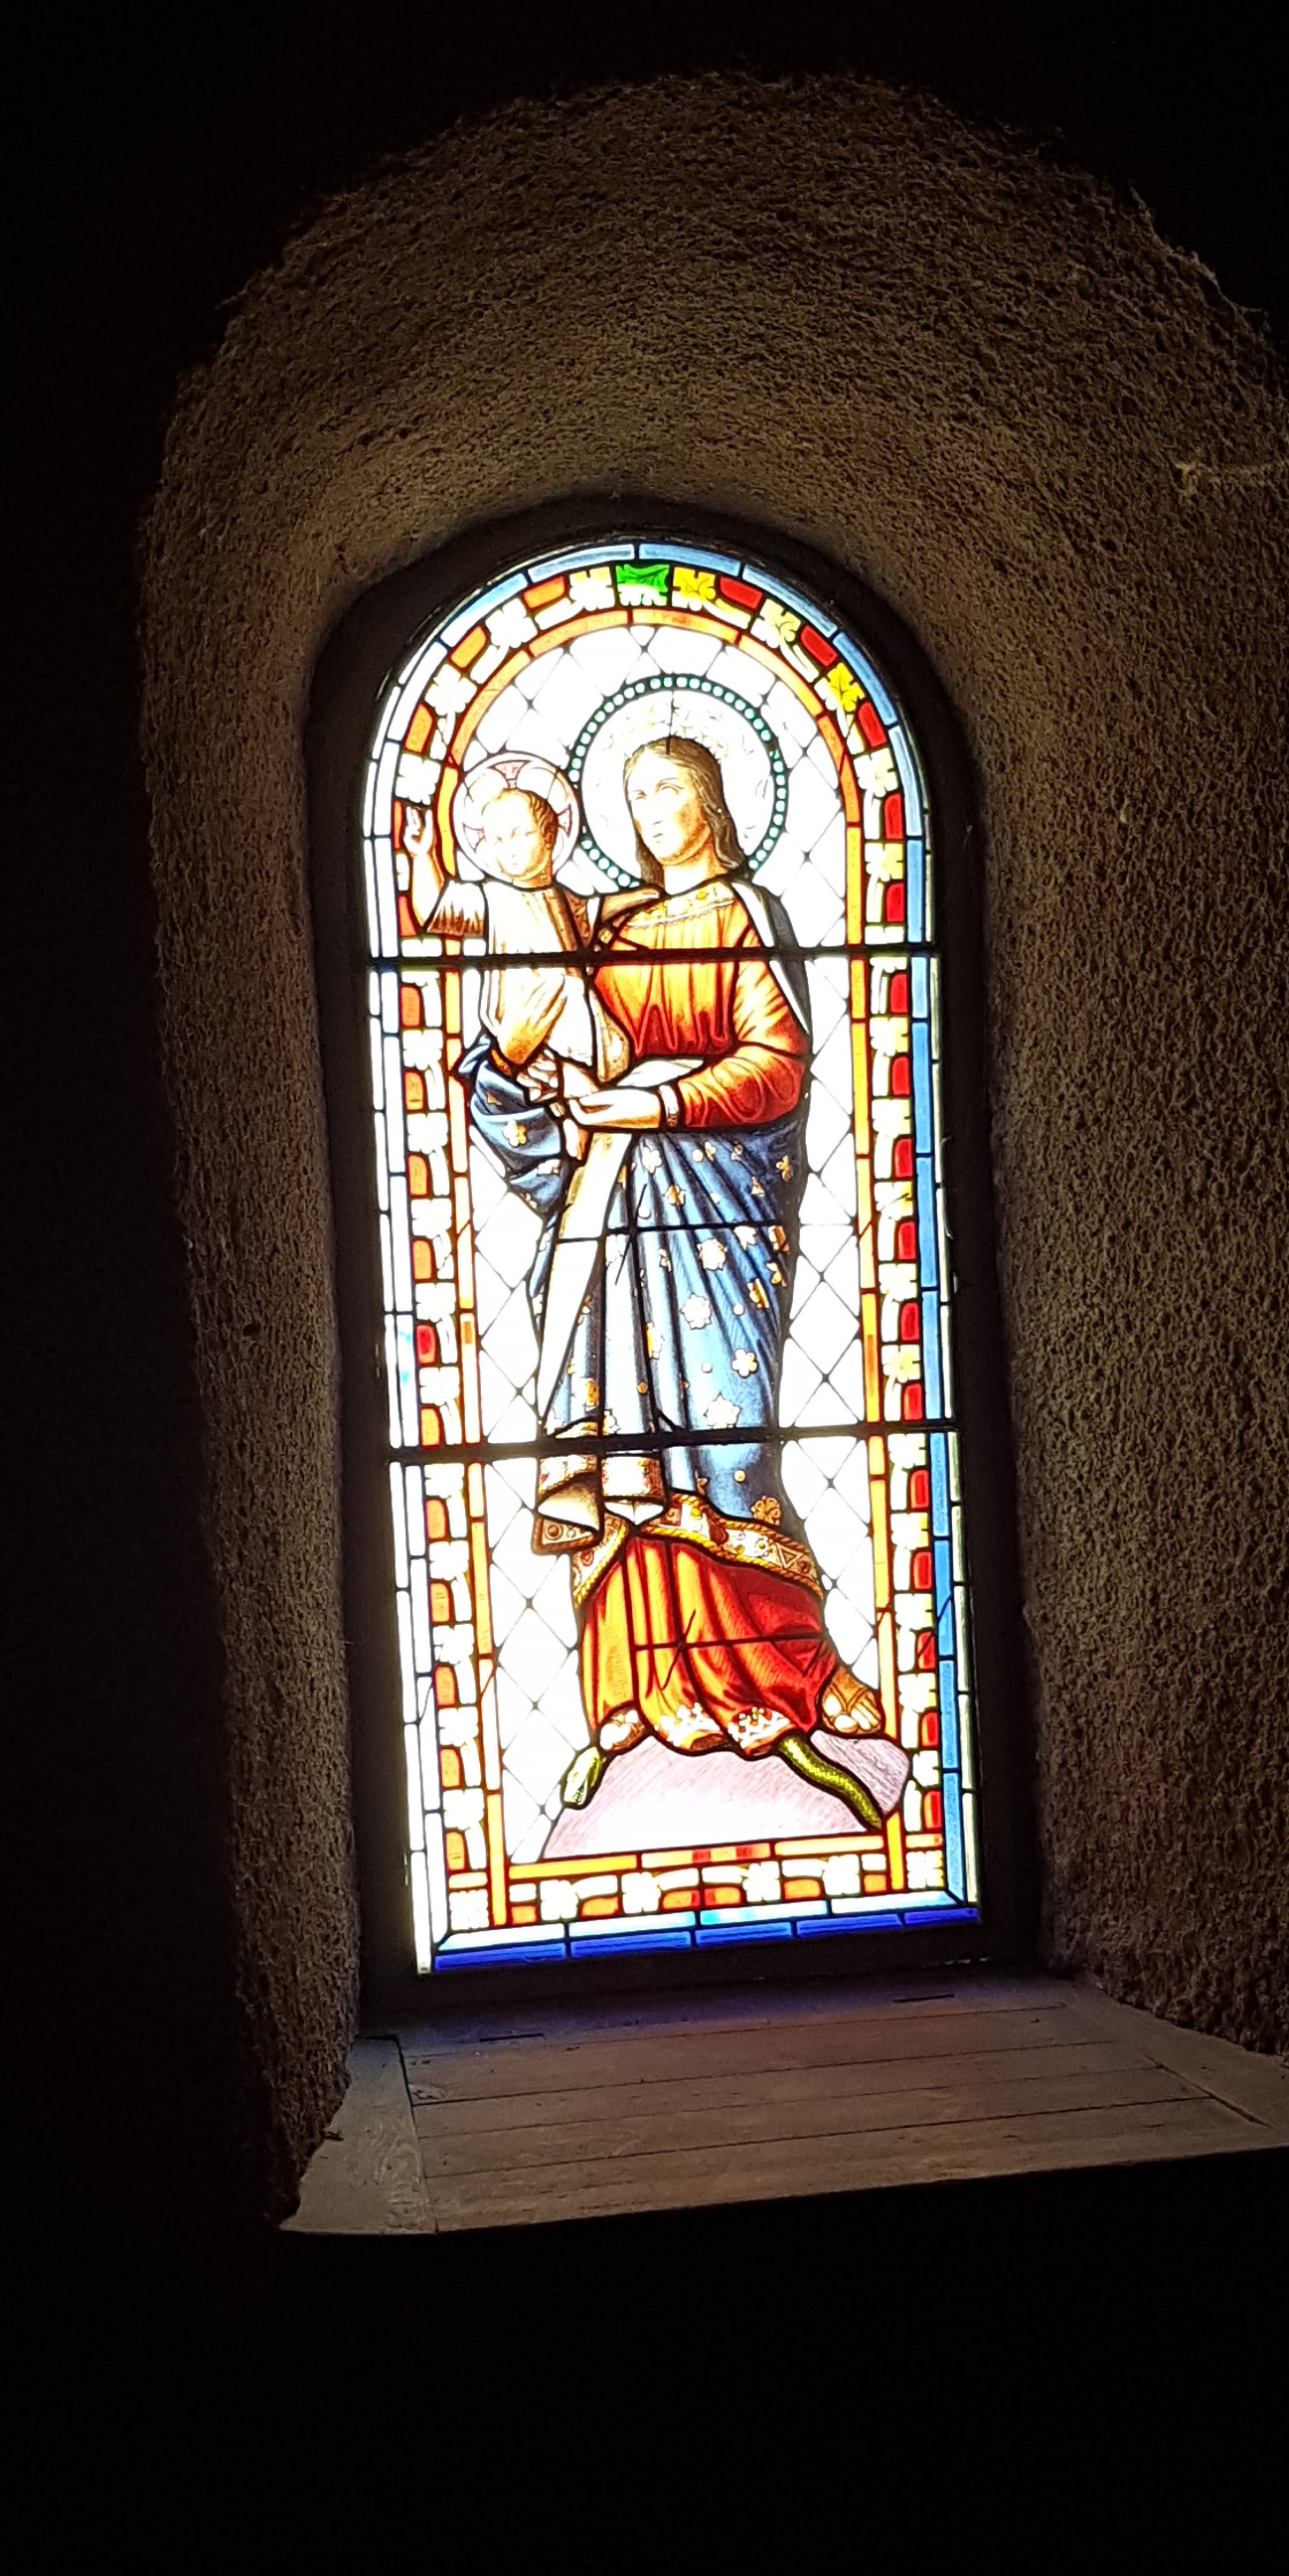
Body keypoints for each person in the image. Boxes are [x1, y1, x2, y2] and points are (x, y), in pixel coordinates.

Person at [460, 731, 889, 1823]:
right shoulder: (604, 927)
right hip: (607, 1214)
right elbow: (531, 1023)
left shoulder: (744, 915)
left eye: (669, 790)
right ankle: (639, 1695)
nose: (652, 811)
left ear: (713, 800)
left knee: (727, 1445)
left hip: (716, 1214)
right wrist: (516, 1060)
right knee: (622, 1452)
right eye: (634, 795)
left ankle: (789, 1676)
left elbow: (776, 1064)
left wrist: (655, 1103)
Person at [401, 753, 629, 1083]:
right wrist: (423, 856)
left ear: (549, 836)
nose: (509, 847)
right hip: (525, 1031)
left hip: (578, 1020)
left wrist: (646, 895)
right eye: (496, 840)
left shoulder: (565, 900)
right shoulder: (493, 898)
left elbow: (597, 910)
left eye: (520, 833)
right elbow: (435, 909)